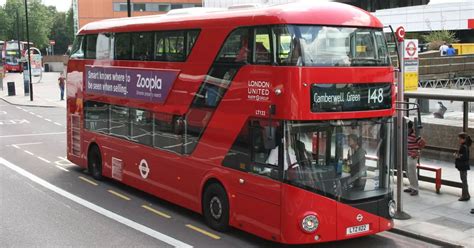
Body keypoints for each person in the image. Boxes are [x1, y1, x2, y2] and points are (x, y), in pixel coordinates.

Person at [405, 121, 421, 196]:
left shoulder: (415, 135)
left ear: (410, 128)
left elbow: (423, 143)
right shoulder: (406, 134)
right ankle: (412, 186)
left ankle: (415, 188)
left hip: (412, 156)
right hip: (407, 155)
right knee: (408, 172)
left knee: (412, 173)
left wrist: (417, 152)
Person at [454, 132, 471, 201]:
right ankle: (467, 194)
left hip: (463, 165)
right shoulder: (465, 146)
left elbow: (464, 157)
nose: (459, 140)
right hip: (464, 165)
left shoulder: (463, 147)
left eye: (460, 138)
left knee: (464, 181)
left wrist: (456, 156)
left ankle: (465, 196)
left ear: (463, 139)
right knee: (464, 180)